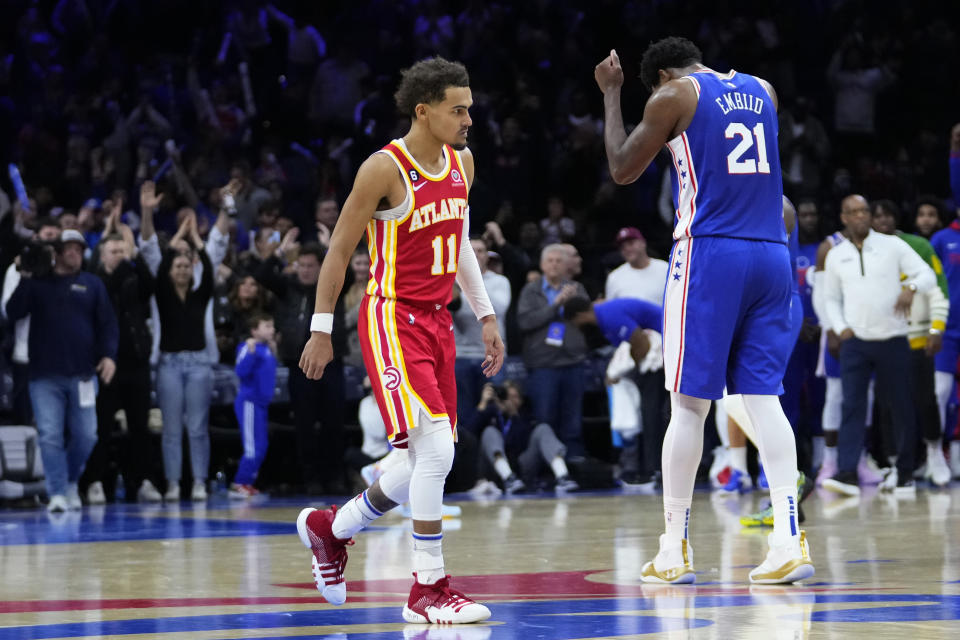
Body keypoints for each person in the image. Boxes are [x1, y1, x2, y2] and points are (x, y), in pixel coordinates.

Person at [595, 37, 813, 584]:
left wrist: (612, 96)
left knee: (688, 405)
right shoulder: (764, 90)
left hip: (711, 252)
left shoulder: (674, 95)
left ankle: (674, 548)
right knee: (764, 398)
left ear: (663, 75)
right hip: (770, 252)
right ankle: (789, 541)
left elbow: (623, 168)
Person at [296, 57, 503, 624]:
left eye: (469, 108)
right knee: (436, 450)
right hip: (391, 317)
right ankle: (428, 588)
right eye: (457, 109)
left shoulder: (462, 163)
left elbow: (458, 242)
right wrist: (320, 329)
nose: (467, 119)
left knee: (421, 462)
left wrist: (484, 314)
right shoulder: (384, 167)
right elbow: (339, 249)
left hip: (436, 321)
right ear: (424, 110)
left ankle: (330, 529)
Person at [822, 195, 936, 495]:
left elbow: (927, 274)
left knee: (900, 405)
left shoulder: (892, 245)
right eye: (853, 212)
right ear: (843, 218)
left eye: (864, 211)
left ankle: (905, 473)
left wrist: (911, 288)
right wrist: (840, 327)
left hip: (894, 339)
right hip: (855, 342)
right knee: (851, 407)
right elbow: (829, 298)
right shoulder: (836, 255)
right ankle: (847, 473)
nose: (860, 216)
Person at [5, 229, 118, 512]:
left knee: (87, 435)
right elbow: (13, 311)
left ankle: (69, 481)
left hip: (83, 373)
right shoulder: (39, 283)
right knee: (50, 434)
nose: (76, 254)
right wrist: (27, 276)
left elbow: (107, 324)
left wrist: (109, 356)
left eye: (79, 249)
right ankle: (57, 492)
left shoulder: (92, 284)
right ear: (56, 253)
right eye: (69, 249)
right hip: (44, 375)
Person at [82, 204, 161, 504]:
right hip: (106, 364)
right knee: (101, 428)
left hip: (136, 362)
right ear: (101, 255)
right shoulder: (94, 280)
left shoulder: (132, 275)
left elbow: (151, 286)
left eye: (121, 250)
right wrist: (115, 246)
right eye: (112, 251)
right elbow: (105, 286)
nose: (118, 255)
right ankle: (96, 483)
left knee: (139, 427)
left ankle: (141, 481)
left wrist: (135, 254)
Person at [870, 200, 951, 487]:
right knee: (889, 405)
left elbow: (938, 289)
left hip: (917, 338)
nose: (882, 220)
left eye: (887, 214)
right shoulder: (866, 252)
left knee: (926, 400)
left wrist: (936, 329)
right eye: (877, 215)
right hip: (884, 340)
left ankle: (934, 453)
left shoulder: (918, 247)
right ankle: (897, 464)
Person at [564, 295, 666, 486]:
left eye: (574, 323)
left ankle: (656, 470)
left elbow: (641, 343)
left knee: (651, 413)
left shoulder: (609, 315)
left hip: (660, 357)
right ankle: (652, 467)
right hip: (658, 355)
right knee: (648, 412)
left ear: (579, 316)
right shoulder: (604, 316)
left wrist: (628, 371)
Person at [155, 213, 215, 502]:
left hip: (198, 365)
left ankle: (200, 482)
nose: (180, 269)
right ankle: (173, 484)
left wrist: (196, 242)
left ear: (191, 271)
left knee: (197, 427)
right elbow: (162, 263)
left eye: (185, 266)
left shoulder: (200, 295)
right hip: (168, 365)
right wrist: (181, 232)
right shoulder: (163, 294)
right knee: (171, 429)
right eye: (176, 266)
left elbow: (210, 271)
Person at [516, 244, 590, 459]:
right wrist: (556, 304)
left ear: (567, 265)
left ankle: (574, 463)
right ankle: (548, 464)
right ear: (542, 265)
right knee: (545, 416)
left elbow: (587, 320)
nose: (555, 264)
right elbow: (525, 321)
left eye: (559, 260)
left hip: (573, 361)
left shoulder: (577, 288)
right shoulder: (531, 290)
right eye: (550, 260)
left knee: (573, 418)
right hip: (542, 364)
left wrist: (572, 303)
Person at [471, 381, 577, 494]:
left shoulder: (525, 414)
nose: (510, 400)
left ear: (521, 400)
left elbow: (520, 443)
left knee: (543, 429)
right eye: (507, 396)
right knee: (489, 431)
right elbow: (468, 435)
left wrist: (514, 415)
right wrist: (483, 404)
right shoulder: (489, 411)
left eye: (515, 397)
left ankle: (563, 476)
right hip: (492, 468)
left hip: (522, 465)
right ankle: (509, 479)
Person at [453, 237, 511, 427]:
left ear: (487, 256)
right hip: (460, 356)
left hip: (492, 356)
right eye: (472, 250)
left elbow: (500, 308)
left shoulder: (500, 281)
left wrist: (472, 280)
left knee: (494, 413)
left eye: (480, 251)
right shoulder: (452, 278)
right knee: (462, 414)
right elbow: (453, 308)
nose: (476, 255)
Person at [228, 312, 278, 499]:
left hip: (261, 405)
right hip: (249, 403)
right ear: (254, 330)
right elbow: (240, 371)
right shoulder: (247, 347)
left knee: (262, 445)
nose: (272, 330)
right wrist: (249, 352)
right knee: (252, 447)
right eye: (267, 326)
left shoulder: (267, 349)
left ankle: (248, 482)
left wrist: (274, 352)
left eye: (272, 326)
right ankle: (239, 483)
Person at [604, 227, 669, 304]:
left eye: (630, 243)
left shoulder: (665, 268)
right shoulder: (614, 277)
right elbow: (612, 310)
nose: (627, 249)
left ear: (643, 243)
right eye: (622, 247)